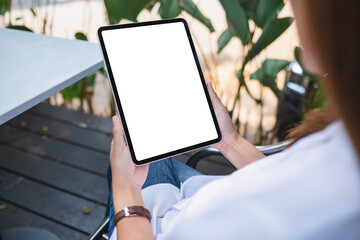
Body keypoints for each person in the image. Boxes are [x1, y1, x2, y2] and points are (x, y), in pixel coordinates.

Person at [107, 0, 360, 239]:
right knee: (155, 159)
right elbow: (297, 192)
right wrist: (230, 141)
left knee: (133, 163)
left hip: (150, 223)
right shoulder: (344, 149)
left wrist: (126, 188)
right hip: (196, 197)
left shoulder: (239, 219)